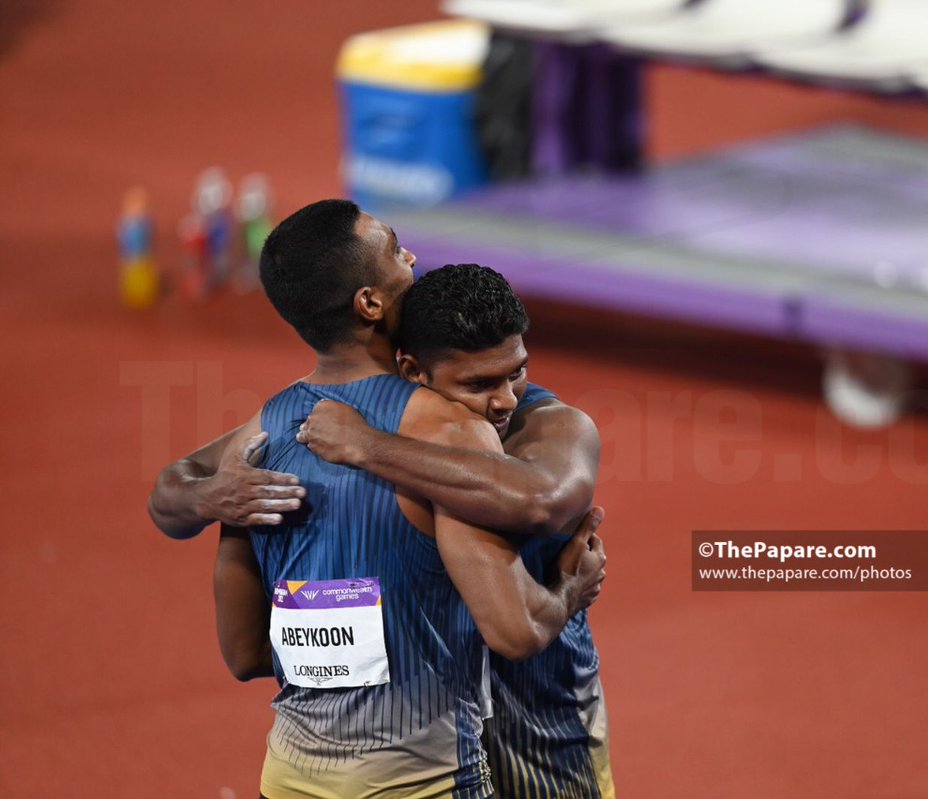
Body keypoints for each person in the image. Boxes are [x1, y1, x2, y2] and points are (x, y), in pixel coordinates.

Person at [149, 199, 606, 799]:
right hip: (456, 772)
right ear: (370, 302)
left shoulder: (271, 432)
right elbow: (515, 627)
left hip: (290, 776)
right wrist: (573, 588)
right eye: (394, 247)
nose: (410, 255)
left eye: (512, 375)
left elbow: (244, 651)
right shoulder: (452, 433)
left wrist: (215, 495)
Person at [299, 264, 614, 799]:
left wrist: (368, 449)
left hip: (547, 729)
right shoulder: (352, 419)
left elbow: (538, 500)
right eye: (480, 383)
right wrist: (204, 491)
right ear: (413, 370)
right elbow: (175, 488)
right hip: (432, 743)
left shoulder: (556, 424)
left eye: (516, 371)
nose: (507, 399)